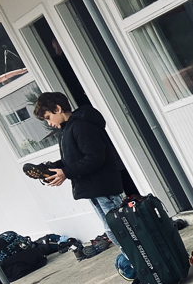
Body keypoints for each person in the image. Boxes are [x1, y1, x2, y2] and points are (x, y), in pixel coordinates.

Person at [29, 92, 123, 260]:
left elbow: (95, 157)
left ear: (58, 109)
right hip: (93, 189)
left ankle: (143, 264)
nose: (49, 123)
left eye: (48, 117)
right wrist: (54, 168)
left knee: (120, 230)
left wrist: (66, 172)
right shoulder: (66, 130)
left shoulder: (82, 126)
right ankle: (136, 264)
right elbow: (72, 159)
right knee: (115, 231)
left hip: (104, 187)